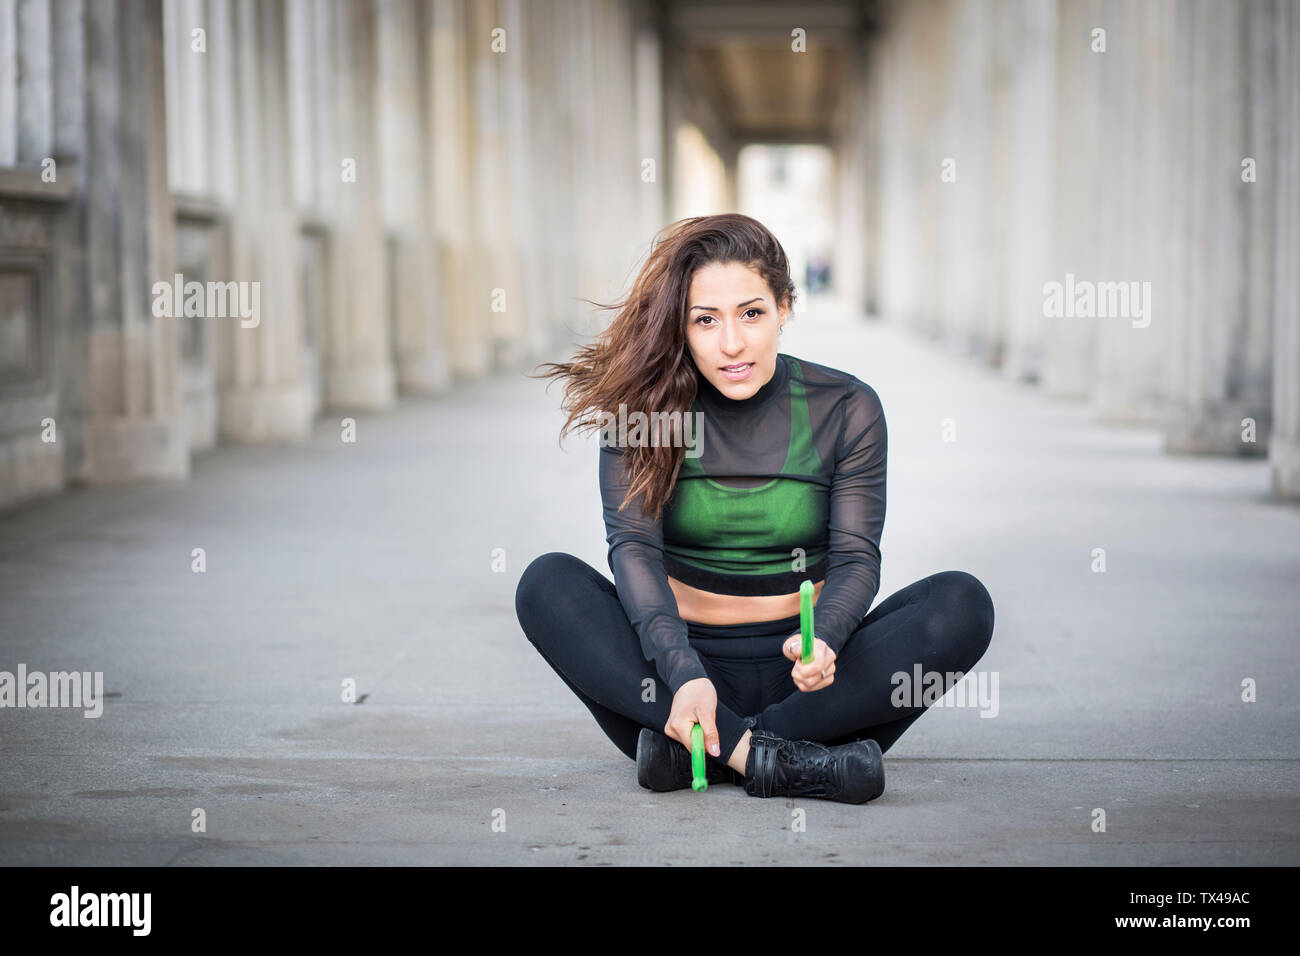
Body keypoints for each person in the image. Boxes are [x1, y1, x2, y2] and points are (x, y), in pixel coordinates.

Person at [515, 213, 994, 803]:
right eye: (706, 320)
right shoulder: (641, 412)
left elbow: (855, 557)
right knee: (546, 584)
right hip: (677, 676)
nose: (732, 343)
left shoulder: (846, 406)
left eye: (751, 313)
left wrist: (832, 637)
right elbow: (633, 549)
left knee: (961, 604)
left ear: (785, 307)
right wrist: (684, 672)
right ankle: (772, 759)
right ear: (682, 327)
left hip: (810, 685)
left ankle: (708, 755)